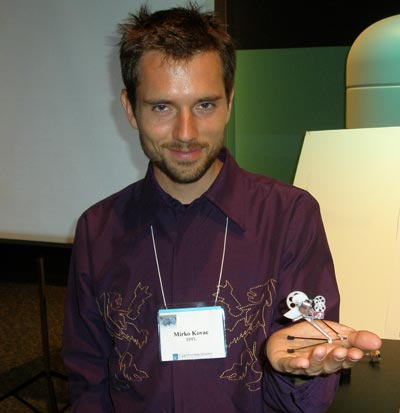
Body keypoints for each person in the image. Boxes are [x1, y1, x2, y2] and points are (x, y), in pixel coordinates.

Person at [62, 4, 381, 412]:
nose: (185, 132)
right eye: (162, 107)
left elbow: (307, 391)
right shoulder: (97, 228)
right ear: (130, 110)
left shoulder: (289, 217)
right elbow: (89, 377)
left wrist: (298, 372)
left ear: (229, 101)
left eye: (205, 105)